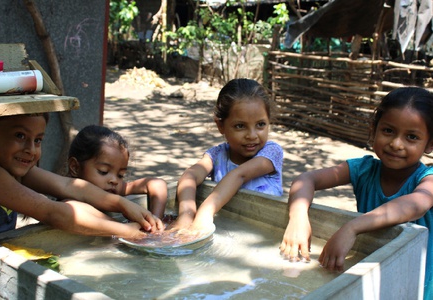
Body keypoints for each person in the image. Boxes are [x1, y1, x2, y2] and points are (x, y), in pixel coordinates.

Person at [279, 86, 433, 298]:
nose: (396, 144)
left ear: (430, 143)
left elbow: (417, 204)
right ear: (374, 130)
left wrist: (352, 227)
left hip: (415, 286)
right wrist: (298, 217)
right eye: (388, 130)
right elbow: (305, 179)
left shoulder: (427, 178)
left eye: (412, 137)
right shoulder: (363, 169)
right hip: (372, 278)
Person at [0, 113, 163, 239]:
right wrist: (125, 231)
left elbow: (71, 187)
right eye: (20, 136)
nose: (30, 149)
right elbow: (53, 213)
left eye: (38, 140)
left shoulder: (16, 170)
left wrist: (123, 204)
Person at [172, 78, 284, 231]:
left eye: (260, 124)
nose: (252, 135)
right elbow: (189, 176)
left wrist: (204, 212)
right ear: (220, 126)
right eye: (240, 126)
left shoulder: (271, 152)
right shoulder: (216, 155)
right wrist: (186, 214)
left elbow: (239, 175)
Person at [67, 125, 168, 219]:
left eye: (120, 175)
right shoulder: (69, 201)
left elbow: (157, 184)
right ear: (75, 167)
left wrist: (155, 221)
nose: (115, 180)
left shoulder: (112, 189)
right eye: (103, 172)